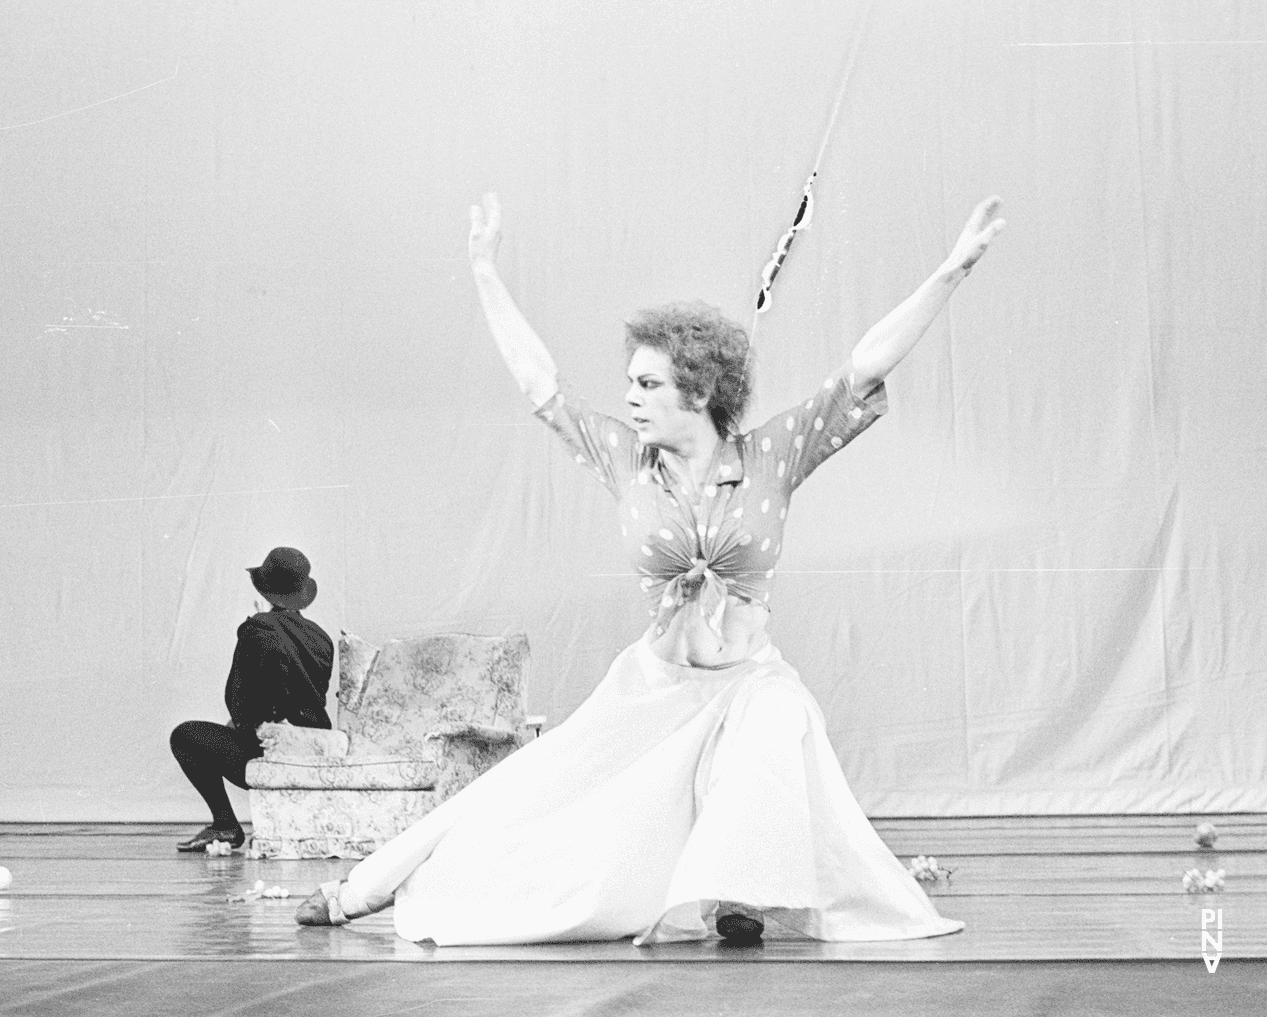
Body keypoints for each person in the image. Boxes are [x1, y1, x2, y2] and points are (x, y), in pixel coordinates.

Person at [296, 192, 1005, 944]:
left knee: (779, 717)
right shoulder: (623, 460)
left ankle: (738, 895)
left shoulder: (771, 457)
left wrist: (952, 270)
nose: (629, 398)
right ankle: (357, 893)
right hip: (652, 686)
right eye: (630, 382)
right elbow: (542, 385)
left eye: (648, 384)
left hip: (744, 678)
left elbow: (864, 367)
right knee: (515, 797)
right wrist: (482, 270)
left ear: (698, 392)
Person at [171, 546, 334, 851]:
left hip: (272, 754)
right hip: (315, 754)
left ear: (267, 592)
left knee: (185, 735)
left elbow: (240, 702)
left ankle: (225, 825)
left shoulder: (256, 629)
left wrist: (239, 726)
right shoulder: (321, 637)